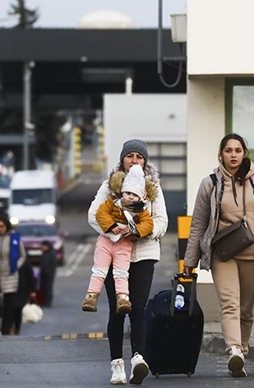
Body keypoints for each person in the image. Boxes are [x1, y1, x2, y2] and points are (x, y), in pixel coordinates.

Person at [183, 133, 254, 378]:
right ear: (221, 154)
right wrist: (190, 261)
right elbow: (198, 224)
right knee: (229, 304)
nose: (233, 155)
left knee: (246, 310)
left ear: (244, 153)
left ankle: (242, 350)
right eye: (228, 150)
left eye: (238, 150)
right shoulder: (210, 183)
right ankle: (234, 351)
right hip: (223, 255)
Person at [88, 139, 168, 385]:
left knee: (138, 309)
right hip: (114, 256)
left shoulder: (152, 188)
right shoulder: (109, 186)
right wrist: (116, 231)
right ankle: (116, 365)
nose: (135, 160)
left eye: (139, 157)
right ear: (123, 159)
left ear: (145, 161)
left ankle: (138, 360)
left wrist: (139, 231)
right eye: (130, 156)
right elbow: (93, 215)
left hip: (143, 254)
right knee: (117, 311)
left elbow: (161, 221)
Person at [83, 164, 155, 315]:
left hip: (124, 244)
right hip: (105, 242)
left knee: (121, 272)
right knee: (99, 270)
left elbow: (149, 224)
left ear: (140, 197)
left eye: (134, 195)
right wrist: (111, 226)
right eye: (127, 192)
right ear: (122, 192)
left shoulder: (141, 211)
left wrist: (134, 231)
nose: (130, 197)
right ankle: (91, 296)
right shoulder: (113, 203)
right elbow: (100, 213)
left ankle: (123, 298)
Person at [0, 216, 27, 336]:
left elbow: (22, 255)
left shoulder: (15, 238)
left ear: (6, 226)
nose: (0, 229)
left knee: (8, 305)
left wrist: (15, 266)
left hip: (10, 275)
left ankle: (6, 330)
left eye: (2, 226)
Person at [12, 258, 37, 335]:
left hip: (21, 290)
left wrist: (32, 290)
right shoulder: (24, 261)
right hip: (12, 289)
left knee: (18, 310)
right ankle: (14, 328)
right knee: (13, 310)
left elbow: (30, 276)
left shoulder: (25, 262)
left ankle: (16, 328)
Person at [38, 240, 57, 307]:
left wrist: (48, 271)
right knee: (43, 288)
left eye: (43, 246)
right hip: (43, 273)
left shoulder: (51, 253)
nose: (42, 247)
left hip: (49, 274)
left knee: (48, 288)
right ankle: (43, 301)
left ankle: (48, 302)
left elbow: (52, 264)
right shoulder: (44, 253)